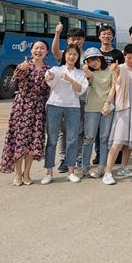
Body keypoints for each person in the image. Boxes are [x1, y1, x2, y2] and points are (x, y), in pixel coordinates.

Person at [0, 40, 52, 186]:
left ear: (47, 52)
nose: (39, 51)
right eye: (36, 48)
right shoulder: (23, 66)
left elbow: (50, 90)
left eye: (42, 48)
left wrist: (51, 80)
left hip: (38, 109)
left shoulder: (49, 70)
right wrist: (20, 70)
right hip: (22, 107)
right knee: (19, 141)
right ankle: (18, 174)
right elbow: (15, 79)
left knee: (32, 142)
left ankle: (27, 173)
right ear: (31, 50)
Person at [41, 45, 88, 184]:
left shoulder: (80, 73)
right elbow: (49, 79)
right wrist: (49, 77)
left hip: (73, 107)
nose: (72, 57)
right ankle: (49, 172)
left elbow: (80, 90)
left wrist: (70, 79)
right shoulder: (56, 69)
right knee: (52, 140)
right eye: (69, 54)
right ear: (64, 55)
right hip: (54, 105)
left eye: (75, 54)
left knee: (72, 139)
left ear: (78, 57)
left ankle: (71, 171)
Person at [102, 44, 132, 184]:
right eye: (128, 57)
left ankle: (123, 167)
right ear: (124, 56)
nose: (131, 60)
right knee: (118, 140)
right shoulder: (121, 68)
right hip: (124, 106)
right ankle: (107, 172)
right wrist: (107, 102)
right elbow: (115, 85)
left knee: (129, 140)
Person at [50, 25, 86, 173]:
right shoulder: (66, 55)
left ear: (83, 40)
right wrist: (57, 33)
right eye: (72, 38)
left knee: (79, 131)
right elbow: (54, 51)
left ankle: (79, 158)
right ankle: (63, 160)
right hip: (62, 100)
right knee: (63, 131)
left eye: (78, 38)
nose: (75, 41)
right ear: (68, 40)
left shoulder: (87, 57)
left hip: (81, 99)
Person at [80, 48, 116, 179]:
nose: (93, 63)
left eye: (95, 59)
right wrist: (85, 69)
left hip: (107, 108)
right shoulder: (90, 73)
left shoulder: (110, 71)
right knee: (88, 138)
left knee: (104, 138)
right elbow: (88, 75)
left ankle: (101, 167)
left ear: (100, 59)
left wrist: (107, 103)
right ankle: (84, 167)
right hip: (91, 109)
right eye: (90, 61)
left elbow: (113, 88)